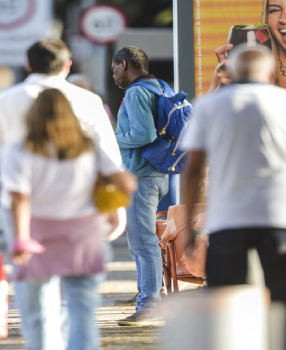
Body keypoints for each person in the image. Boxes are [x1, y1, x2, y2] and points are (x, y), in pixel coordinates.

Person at [2, 89, 136, 350]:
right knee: (83, 309)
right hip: (84, 233)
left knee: (39, 309)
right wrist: (108, 207)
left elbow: (19, 198)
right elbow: (125, 183)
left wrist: (19, 239)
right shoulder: (87, 145)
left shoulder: (18, 150)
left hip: (39, 233)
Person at [0, 39, 122, 249]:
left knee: (32, 275)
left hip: (21, 205)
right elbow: (109, 158)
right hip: (79, 203)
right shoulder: (88, 100)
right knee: (81, 274)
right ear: (67, 64)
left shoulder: (3, 101)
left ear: (28, 65)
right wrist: (116, 206)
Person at [180, 45, 286, 305]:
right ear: (270, 71)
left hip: (227, 217)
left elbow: (192, 170)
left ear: (233, 70)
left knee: (228, 307)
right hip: (279, 215)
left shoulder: (209, 105)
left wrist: (187, 231)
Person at [110, 46, 168, 326]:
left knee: (144, 245)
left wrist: (111, 140)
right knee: (146, 244)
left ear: (124, 64)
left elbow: (143, 133)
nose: (114, 76)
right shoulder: (160, 86)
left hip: (142, 177)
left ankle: (149, 304)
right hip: (156, 174)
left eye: (114, 69)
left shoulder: (135, 92)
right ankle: (153, 294)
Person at [210, 0, 286, 90]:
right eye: (274, 10)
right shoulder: (234, 66)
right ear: (266, 18)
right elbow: (207, 104)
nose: (283, 19)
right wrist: (224, 89)